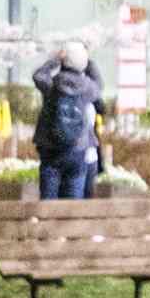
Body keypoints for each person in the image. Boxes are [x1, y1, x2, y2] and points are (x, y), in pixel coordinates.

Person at [33, 39, 108, 199]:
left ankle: (47, 223)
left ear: (63, 61)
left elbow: (38, 75)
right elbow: (99, 84)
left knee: (48, 200)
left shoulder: (52, 85)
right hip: (78, 147)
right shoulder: (87, 88)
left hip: (50, 147)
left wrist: (55, 60)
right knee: (73, 202)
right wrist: (86, 59)